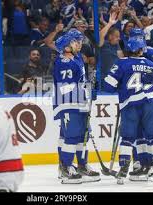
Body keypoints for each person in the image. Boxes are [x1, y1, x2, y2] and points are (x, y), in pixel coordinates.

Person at [104, 34, 153, 185]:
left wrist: (120, 85)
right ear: (141, 49)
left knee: (128, 138)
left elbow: (108, 86)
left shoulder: (121, 63)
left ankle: (123, 170)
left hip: (130, 105)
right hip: (150, 104)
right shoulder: (151, 64)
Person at [53, 32, 100, 184]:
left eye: (80, 41)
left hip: (80, 103)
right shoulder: (63, 63)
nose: (79, 44)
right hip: (68, 104)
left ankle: (81, 165)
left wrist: (89, 85)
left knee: (83, 136)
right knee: (71, 136)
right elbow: (65, 88)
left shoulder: (78, 57)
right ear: (66, 47)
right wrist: (85, 87)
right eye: (75, 42)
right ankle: (66, 167)